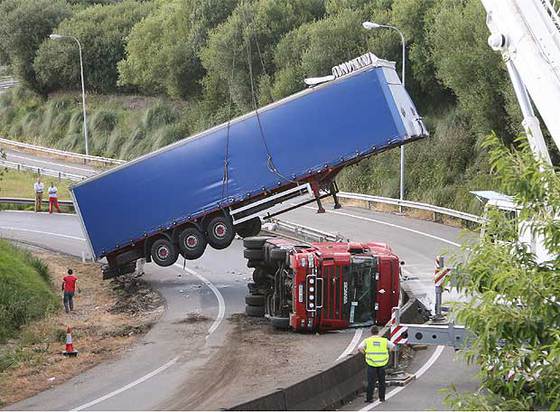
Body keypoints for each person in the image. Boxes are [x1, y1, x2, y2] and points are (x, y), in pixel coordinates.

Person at [358, 326, 395, 403]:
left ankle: (369, 398)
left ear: (371, 332)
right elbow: (393, 346)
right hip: (382, 364)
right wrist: (388, 352)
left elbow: (360, 348)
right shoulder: (384, 340)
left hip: (371, 364)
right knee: (382, 382)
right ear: (378, 332)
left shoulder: (367, 341)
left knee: (371, 382)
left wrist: (365, 353)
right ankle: (382, 398)